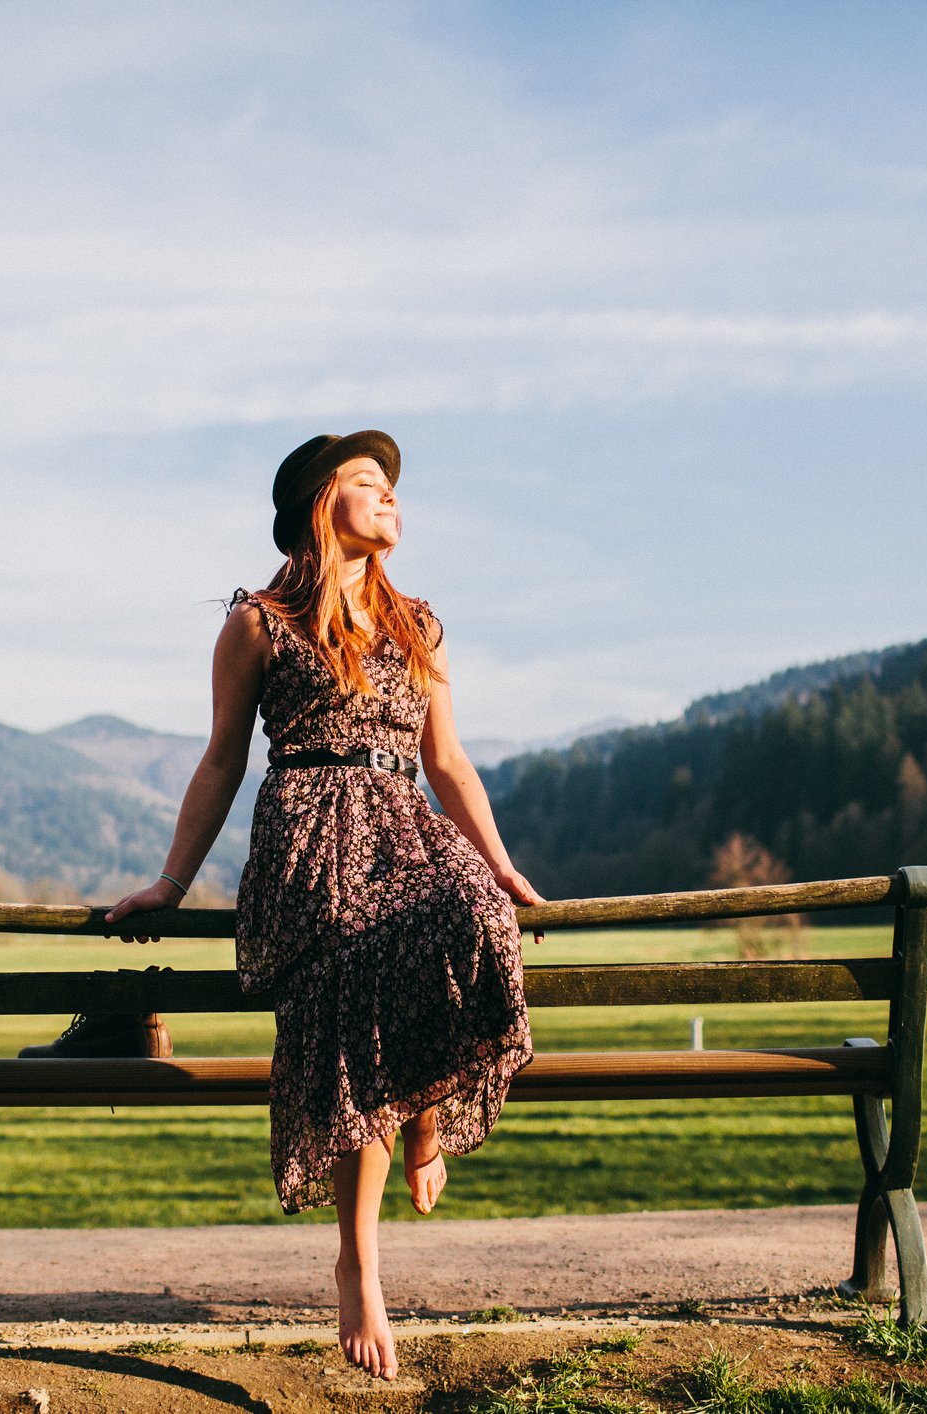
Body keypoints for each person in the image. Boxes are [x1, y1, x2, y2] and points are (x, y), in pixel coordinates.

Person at [103, 430, 541, 1381]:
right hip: (308, 836)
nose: (392, 500)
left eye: (392, 489)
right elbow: (221, 760)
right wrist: (171, 885)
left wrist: (501, 865)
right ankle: (359, 1264)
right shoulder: (258, 624)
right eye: (369, 484)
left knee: (477, 914)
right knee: (355, 966)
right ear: (319, 501)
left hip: (403, 822)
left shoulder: (417, 623)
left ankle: (424, 1116)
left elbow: (448, 763)